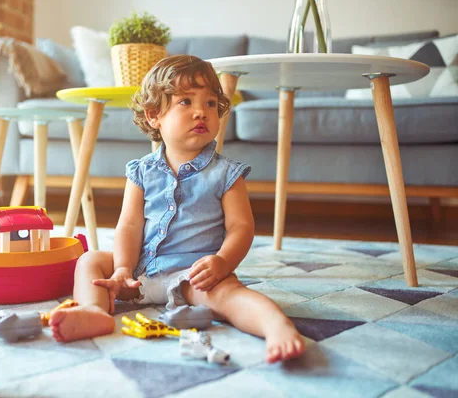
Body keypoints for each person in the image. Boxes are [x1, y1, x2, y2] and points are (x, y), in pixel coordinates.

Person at [50, 54, 305, 363]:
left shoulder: (226, 173)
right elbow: (129, 225)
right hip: (141, 270)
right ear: (154, 114)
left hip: (193, 277)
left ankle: (275, 326)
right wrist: (122, 269)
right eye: (186, 102)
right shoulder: (141, 170)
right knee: (90, 260)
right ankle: (94, 311)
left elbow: (241, 227)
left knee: (229, 295)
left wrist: (223, 263)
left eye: (211, 103)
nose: (202, 112)